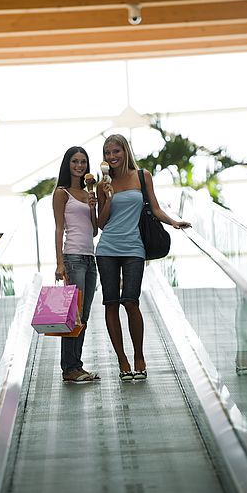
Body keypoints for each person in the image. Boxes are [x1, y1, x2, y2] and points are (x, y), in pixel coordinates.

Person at [96, 134, 191, 381]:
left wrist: (173, 222)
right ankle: (122, 360)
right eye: (107, 153)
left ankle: (139, 356)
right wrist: (106, 195)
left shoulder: (142, 176)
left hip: (134, 248)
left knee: (131, 301)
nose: (112, 157)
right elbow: (101, 223)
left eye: (116, 151)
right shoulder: (101, 184)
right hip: (107, 249)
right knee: (111, 303)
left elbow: (155, 208)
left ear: (125, 151)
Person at [53, 146, 99, 383]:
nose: (79, 166)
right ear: (67, 165)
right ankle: (69, 368)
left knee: (85, 315)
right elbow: (59, 228)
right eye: (75, 162)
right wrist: (60, 262)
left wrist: (93, 207)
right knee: (74, 315)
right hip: (72, 258)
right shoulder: (62, 193)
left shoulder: (87, 193)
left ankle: (77, 365)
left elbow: (93, 231)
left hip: (90, 259)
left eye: (83, 162)